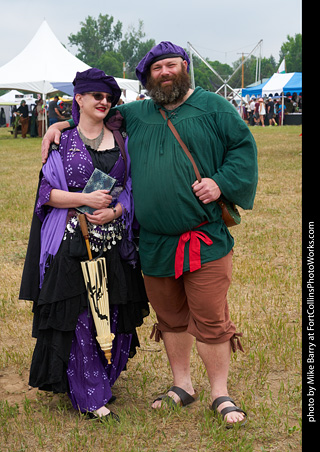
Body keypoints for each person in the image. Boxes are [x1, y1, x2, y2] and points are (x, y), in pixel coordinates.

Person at [41, 42, 258, 427]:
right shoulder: (137, 113)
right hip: (154, 241)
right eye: (156, 69)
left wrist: (221, 182)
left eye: (171, 65)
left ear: (185, 68)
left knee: (209, 317)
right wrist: (58, 125)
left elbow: (242, 149)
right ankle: (181, 386)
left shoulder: (215, 107)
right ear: (147, 78)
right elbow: (93, 114)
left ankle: (220, 394)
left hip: (203, 237)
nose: (165, 73)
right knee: (171, 317)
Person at [19, 68, 149, 421]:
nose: (104, 102)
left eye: (109, 98)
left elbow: (131, 188)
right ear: (79, 98)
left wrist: (118, 209)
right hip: (72, 240)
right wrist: (84, 199)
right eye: (97, 96)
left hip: (114, 241)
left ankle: (103, 380)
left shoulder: (122, 138)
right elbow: (46, 192)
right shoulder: (63, 140)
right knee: (77, 314)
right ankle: (89, 394)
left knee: (112, 311)